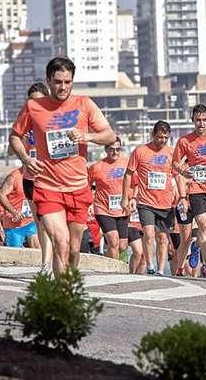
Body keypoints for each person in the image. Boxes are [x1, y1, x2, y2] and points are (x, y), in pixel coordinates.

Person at [9, 57, 115, 274]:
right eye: (58, 81)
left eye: (67, 82)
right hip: (48, 188)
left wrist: (86, 136)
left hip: (78, 188)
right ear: (48, 80)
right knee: (62, 243)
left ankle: (68, 286)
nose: (63, 87)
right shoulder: (33, 106)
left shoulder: (84, 104)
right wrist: (26, 159)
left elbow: (110, 135)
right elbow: (15, 137)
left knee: (75, 250)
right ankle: (61, 298)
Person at [173, 104, 206, 278]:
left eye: (204, 120)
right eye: (198, 120)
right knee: (204, 226)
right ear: (193, 121)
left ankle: (197, 246)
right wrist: (182, 170)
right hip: (196, 189)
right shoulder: (184, 141)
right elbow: (175, 162)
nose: (201, 123)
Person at [121, 121, 176, 276]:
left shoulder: (171, 153)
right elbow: (128, 174)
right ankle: (150, 265)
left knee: (163, 238)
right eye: (159, 137)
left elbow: (178, 175)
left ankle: (160, 270)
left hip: (165, 203)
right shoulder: (140, 151)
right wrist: (125, 197)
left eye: (166, 137)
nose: (162, 140)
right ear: (153, 135)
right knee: (149, 234)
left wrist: (182, 194)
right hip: (145, 202)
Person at [14, 82, 53, 270]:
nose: (34, 105)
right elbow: (11, 147)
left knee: (49, 222)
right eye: (31, 101)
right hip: (30, 179)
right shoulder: (25, 120)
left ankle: (52, 263)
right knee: (40, 224)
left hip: (49, 179)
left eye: (38, 101)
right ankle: (46, 264)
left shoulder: (53, 119)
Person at [88, 137, 130, 260]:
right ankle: (115, 272)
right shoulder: (96, 167)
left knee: (122, 246)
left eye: (118, 149)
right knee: (114, 242)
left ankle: (103, 260)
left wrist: (132, 199)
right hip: (103, 209)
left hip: (122, 209)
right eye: (112, 149)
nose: (115, 152)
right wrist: (89, 204)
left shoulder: (126, 164)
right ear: (106, 149)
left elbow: (135, 183)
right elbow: (87, 186)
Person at [0, 168, 39, 248]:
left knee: (37, 247)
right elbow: (0, 195)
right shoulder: (14, 177)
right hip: (14, 224)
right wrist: (14, 212)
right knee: (15, 254)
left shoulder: (37, 175)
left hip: (30, 221)